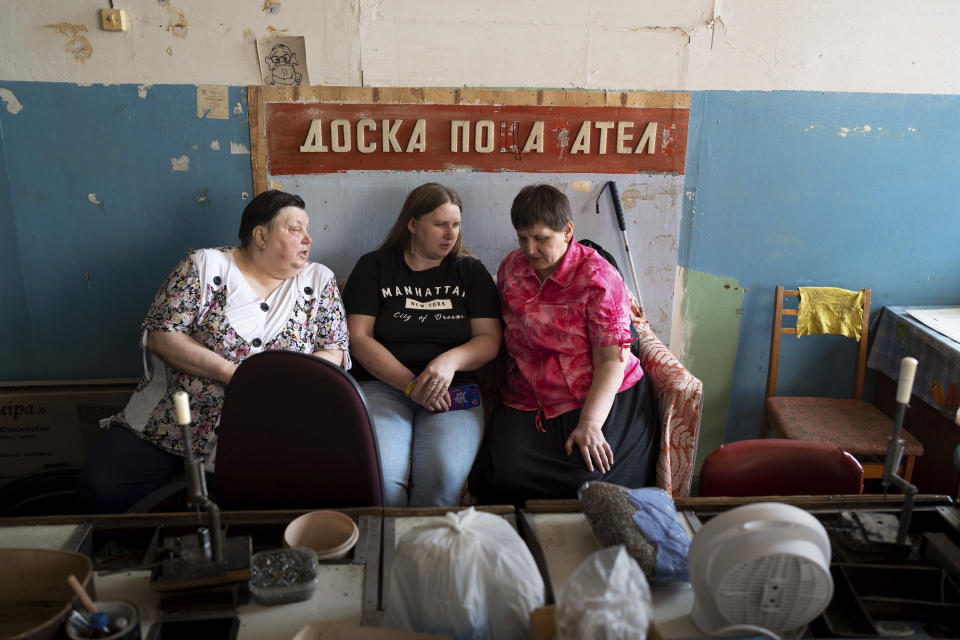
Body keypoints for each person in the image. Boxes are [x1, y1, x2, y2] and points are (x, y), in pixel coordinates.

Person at [78, 190, 349, 512]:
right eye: (295, 229)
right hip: (174, 420)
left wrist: (292, 389)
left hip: (273, 425)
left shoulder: (318, 280)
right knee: (103, 489)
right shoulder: (205, 267)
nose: (308, 238)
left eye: (307, 229)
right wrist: (232, 374)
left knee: (270, 508)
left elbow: (333, 348)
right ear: (260, 235)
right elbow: (162, 335)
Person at [470, 184, 658, 504]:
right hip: (530, 397)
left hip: (599, 394)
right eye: (522, 238)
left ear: (568, 231)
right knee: (503, 476)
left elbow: (612, 360)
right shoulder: (511, 270)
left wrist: (590, 423)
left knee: (588, 481)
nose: (530, 249)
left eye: (541, 238)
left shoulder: (599, 277)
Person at [342, 183, 501, 507]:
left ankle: (425, 555)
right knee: (383, 481)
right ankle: (387, 553)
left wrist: (449, 362)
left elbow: (489, 340)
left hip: (454, 390)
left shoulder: (469, 271)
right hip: (383, 386)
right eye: (440, 224)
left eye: (455, 225)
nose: (450, 234)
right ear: (412, 224)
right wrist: (411, 384)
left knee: (443, 480)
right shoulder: (375, 267)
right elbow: (358, 338)